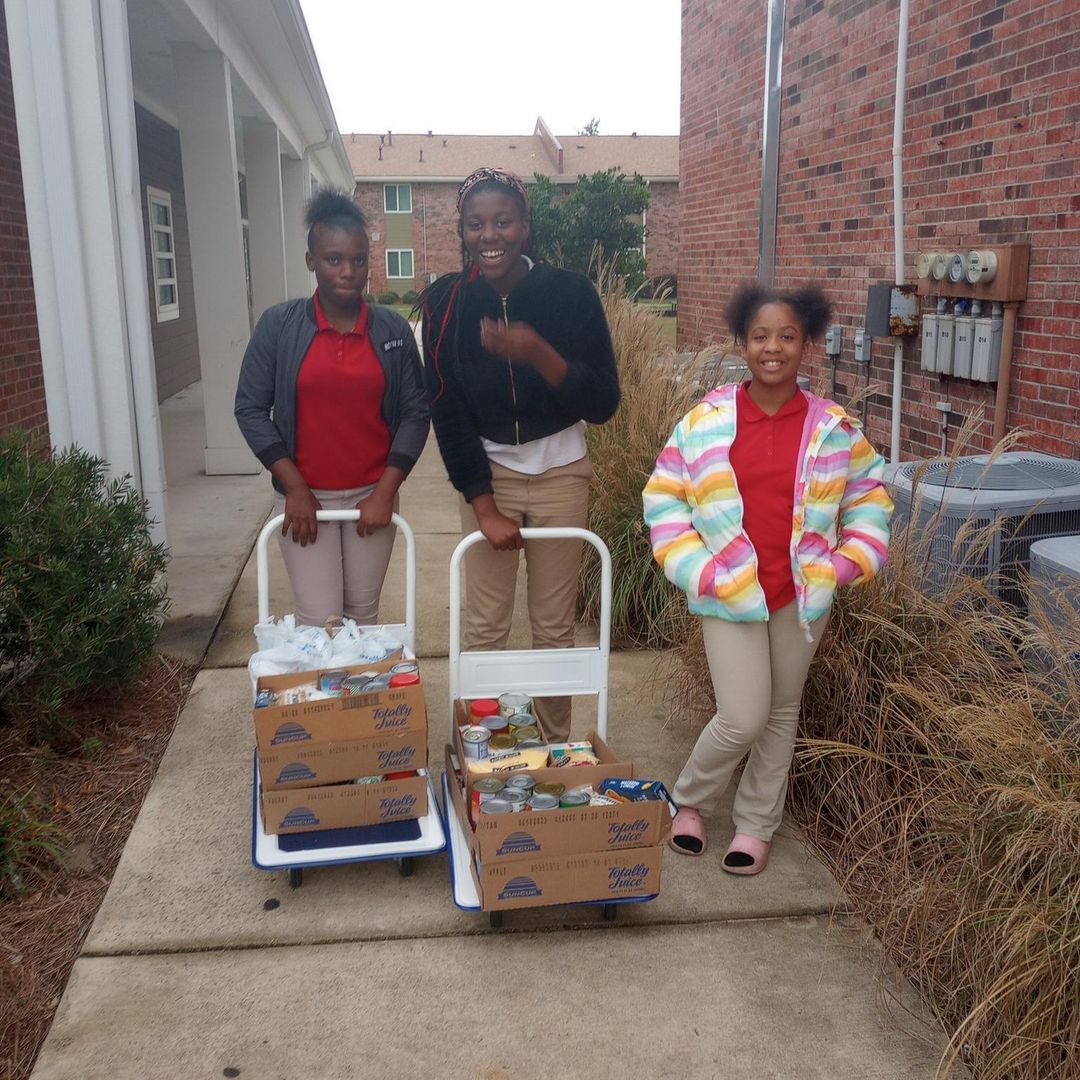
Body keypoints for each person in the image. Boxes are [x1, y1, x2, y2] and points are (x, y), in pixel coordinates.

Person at [643, 281, 893, 874]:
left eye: (787, 336)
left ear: (806, 343)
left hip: (802, 596)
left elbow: (870, 497)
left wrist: (841, 564)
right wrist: (700, 570)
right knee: (743, 715)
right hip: (728, 591)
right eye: (760, 336)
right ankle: (688, 799)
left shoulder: (834, 427)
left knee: (782, 712)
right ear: (743, 342)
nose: (773, 348)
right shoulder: (707, 421)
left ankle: (756, 825)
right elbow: (664, 496)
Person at [420, 167, 620, 741]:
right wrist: (483, 505)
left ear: (525, 225)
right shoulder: (447, 304)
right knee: (486, 626)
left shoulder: (570, 294)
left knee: (554, 628)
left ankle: (554, 750)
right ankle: (483, 750)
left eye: (502, 221)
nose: (490, 236)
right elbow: (446, 411)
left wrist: (536, 352)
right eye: (475, 224)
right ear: (462, 230)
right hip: (491, 476)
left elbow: (603, 402)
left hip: (561, 473)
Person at [235, 189, 429, 627]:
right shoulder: (279, 326)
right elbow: (250, 408)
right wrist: (294, 488)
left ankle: (360, 680)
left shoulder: (391, 330)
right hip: (306, 500)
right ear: (311, 261)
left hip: (371, 496)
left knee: (362, 619)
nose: (348, 272)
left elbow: (416, 413)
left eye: (358, 260)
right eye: (333, 259)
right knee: (320, 620)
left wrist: (386, 491)